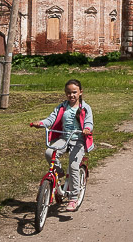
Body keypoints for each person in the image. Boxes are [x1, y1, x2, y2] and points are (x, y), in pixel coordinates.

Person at [29, 78, 93, 211]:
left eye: (74, 92)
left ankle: (73, 198)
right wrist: (40, 123)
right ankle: (59, 173)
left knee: (74, 165)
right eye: (69, 93)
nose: (72, 95)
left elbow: (89, 122)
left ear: (80, 92)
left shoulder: (85, 108)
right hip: (64, 138)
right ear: (66, 94)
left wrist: (87, 129)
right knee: (49, 152)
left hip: (78, 140)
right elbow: (51, 119)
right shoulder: (62, 107)